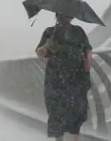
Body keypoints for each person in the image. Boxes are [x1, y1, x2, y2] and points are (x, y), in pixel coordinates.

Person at [35, 12, 92, 141]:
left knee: (76, 111)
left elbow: (87, 48)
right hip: (56, 78)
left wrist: (88, 61)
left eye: (68, 16)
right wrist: (47, 46)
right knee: (56, 111)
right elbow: (40, 53)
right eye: (63, 15)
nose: (65, 18)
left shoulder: (78, 31)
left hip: (76, 76)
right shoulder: (50, 32)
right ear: (57, 16)